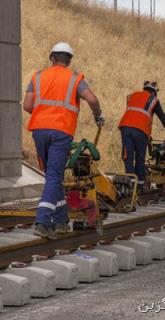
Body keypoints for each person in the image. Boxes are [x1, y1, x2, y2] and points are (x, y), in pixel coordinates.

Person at [23, 42, 105, 239]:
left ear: (52, 57)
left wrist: (44, 114)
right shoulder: (75, 80)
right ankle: (42, 221)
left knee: (54, 176)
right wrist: (97, 115)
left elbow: (27, 105)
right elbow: (92, 100)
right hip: (61, 131)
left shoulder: (38, 77)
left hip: (40, 130)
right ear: (69, 60)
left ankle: (60, 222)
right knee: (53, 176)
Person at [118, 81, 165, 193]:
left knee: (127, 156)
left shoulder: (132, 96)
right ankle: (140, 185)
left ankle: (130, 184)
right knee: (140, 157)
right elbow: (161, 115)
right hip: (140, 130)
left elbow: (134, 113)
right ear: (154, 92)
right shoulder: (153, 100)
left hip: (125, 127)